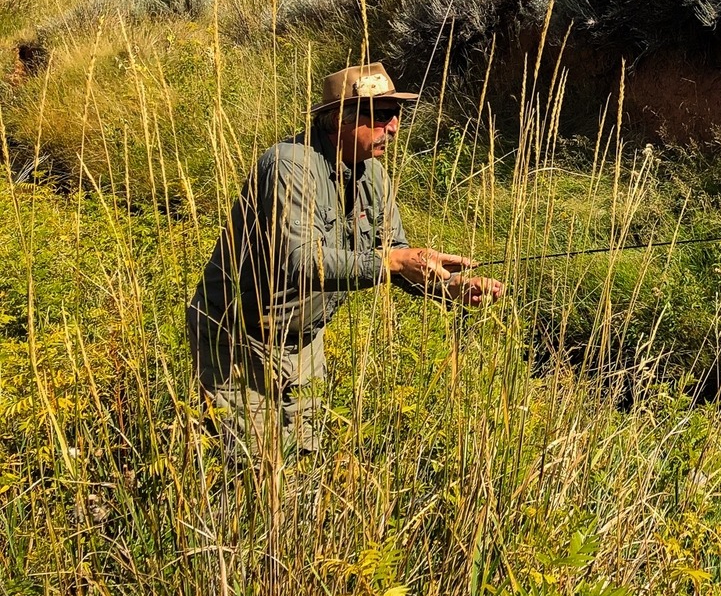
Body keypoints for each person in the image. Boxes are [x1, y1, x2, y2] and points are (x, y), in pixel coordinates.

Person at [186, 61, 504, 457]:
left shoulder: (374, 175)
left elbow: (395, 254)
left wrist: (453, 287)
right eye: (382, 115)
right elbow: (302, 263)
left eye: (396, 114)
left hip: (304, 342)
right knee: (248, 467)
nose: (393, 127)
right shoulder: (291, 165)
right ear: (339, 119)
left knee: (304, 456)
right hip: (238, 338)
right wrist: (394, 260)